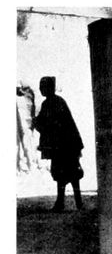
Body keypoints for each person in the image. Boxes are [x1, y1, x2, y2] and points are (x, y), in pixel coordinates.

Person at [33, 76, 84, 212]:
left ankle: (69, 203)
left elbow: (51, 124)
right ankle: (69, 202)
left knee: (67, 174)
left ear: (50, 88)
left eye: (44, 87)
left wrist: (36, 122)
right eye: (41, 87)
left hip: (64, 145)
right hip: (64, 145)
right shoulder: (53, 102)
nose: (41, 90)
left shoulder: (53, 103)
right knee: (66, 174)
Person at [16, 80, 39, 174]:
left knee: (27, 140)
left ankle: (31, 164)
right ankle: (28, 164)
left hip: (26, 120)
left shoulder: (26, 93)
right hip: (24, 120)